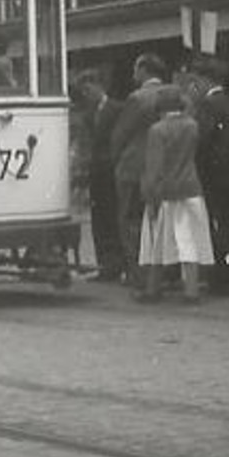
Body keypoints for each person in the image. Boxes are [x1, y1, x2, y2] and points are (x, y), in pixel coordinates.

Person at [136, 85, 214, 303]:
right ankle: (192, 289)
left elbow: (154, 168)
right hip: (190, 187)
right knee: (189, 240)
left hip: (166, 192)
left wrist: (150, 197)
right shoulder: (192, 125)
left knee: (157, 241)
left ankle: (153, 288)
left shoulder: (157, 130)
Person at [109, 52, 169, 292]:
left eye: (136, 68)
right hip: (165, 167)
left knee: (131, 221)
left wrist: (116, 159)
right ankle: (164, 273)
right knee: (160, 222)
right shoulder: (173, 94)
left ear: (144, 70)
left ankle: (140, 274)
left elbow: (120, 135)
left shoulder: (137, 98)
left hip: (134, 168)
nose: (134, 73)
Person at [191, 56, 229, 296]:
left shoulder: (208, 105)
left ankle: (222, 276)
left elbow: (202, 138)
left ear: (205, 79)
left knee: (216, 223)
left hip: (211, 173)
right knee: (227, 221)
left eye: (196, 80)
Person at [74, 69, 125, 282]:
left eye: (88, 89)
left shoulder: (116, 109)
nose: (86, 95)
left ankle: (119, 264)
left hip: (111, 171)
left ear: (99, 86)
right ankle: (106, 265)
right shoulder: (87, 113)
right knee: (99, 221)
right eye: (83, 91)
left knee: (113, 219)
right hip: (96, 173)